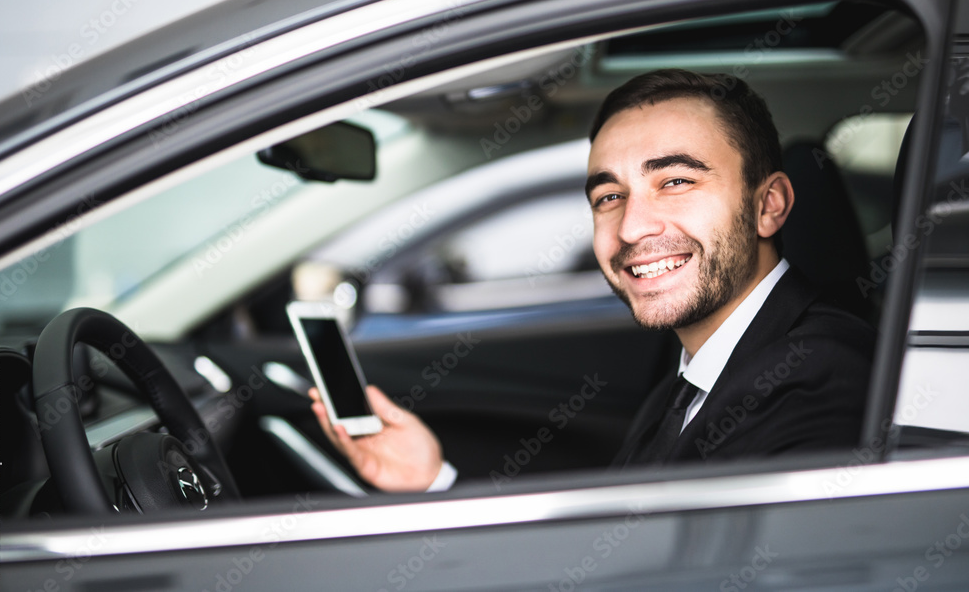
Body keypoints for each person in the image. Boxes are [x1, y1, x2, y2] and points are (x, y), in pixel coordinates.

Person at [309, 69, 875, 491]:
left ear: (768, 206)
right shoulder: (693, 376)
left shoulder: (818, 376)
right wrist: (434, 480)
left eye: (675, 182)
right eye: (609, 196)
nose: (631, 226)